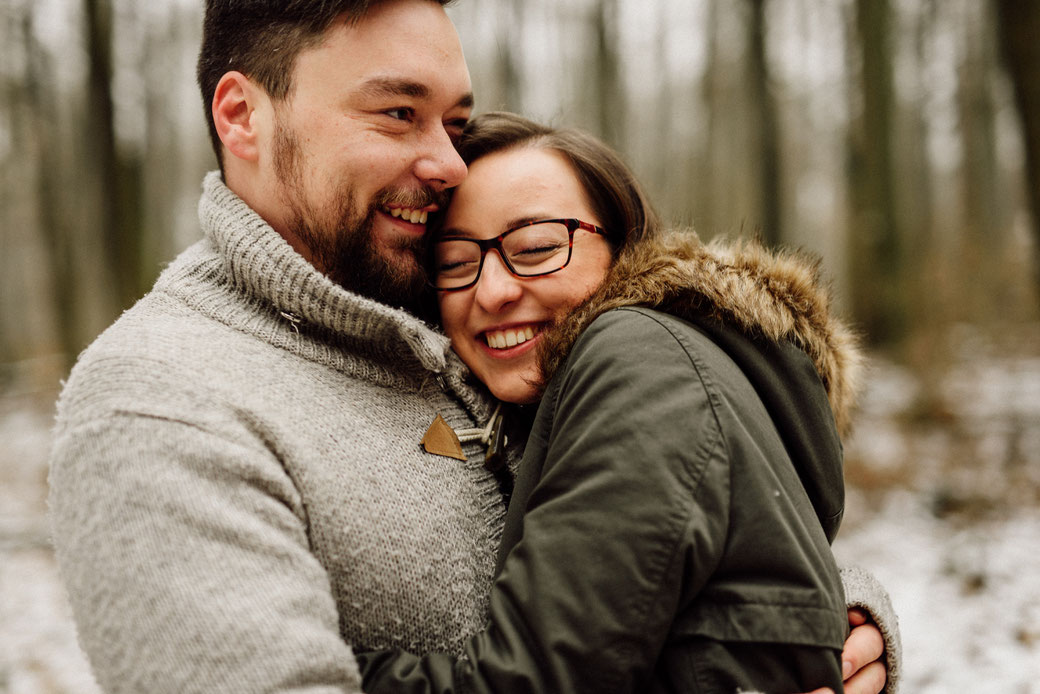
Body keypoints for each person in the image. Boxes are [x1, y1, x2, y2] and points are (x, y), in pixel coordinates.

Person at [47, 2, 895, 692]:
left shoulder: (449, 321)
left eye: (453, 122)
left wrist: (832, 622)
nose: (448, 163)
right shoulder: (158, 400)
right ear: (242, 116)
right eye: (398, 113)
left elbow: (654, 522)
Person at [355, 112, 900, 693]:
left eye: (537, 247)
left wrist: (277, 665)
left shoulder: (640, 359)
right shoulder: (655, 370)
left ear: (624, 247)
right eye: (456, 264)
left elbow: (532, 685)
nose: (492, 291)